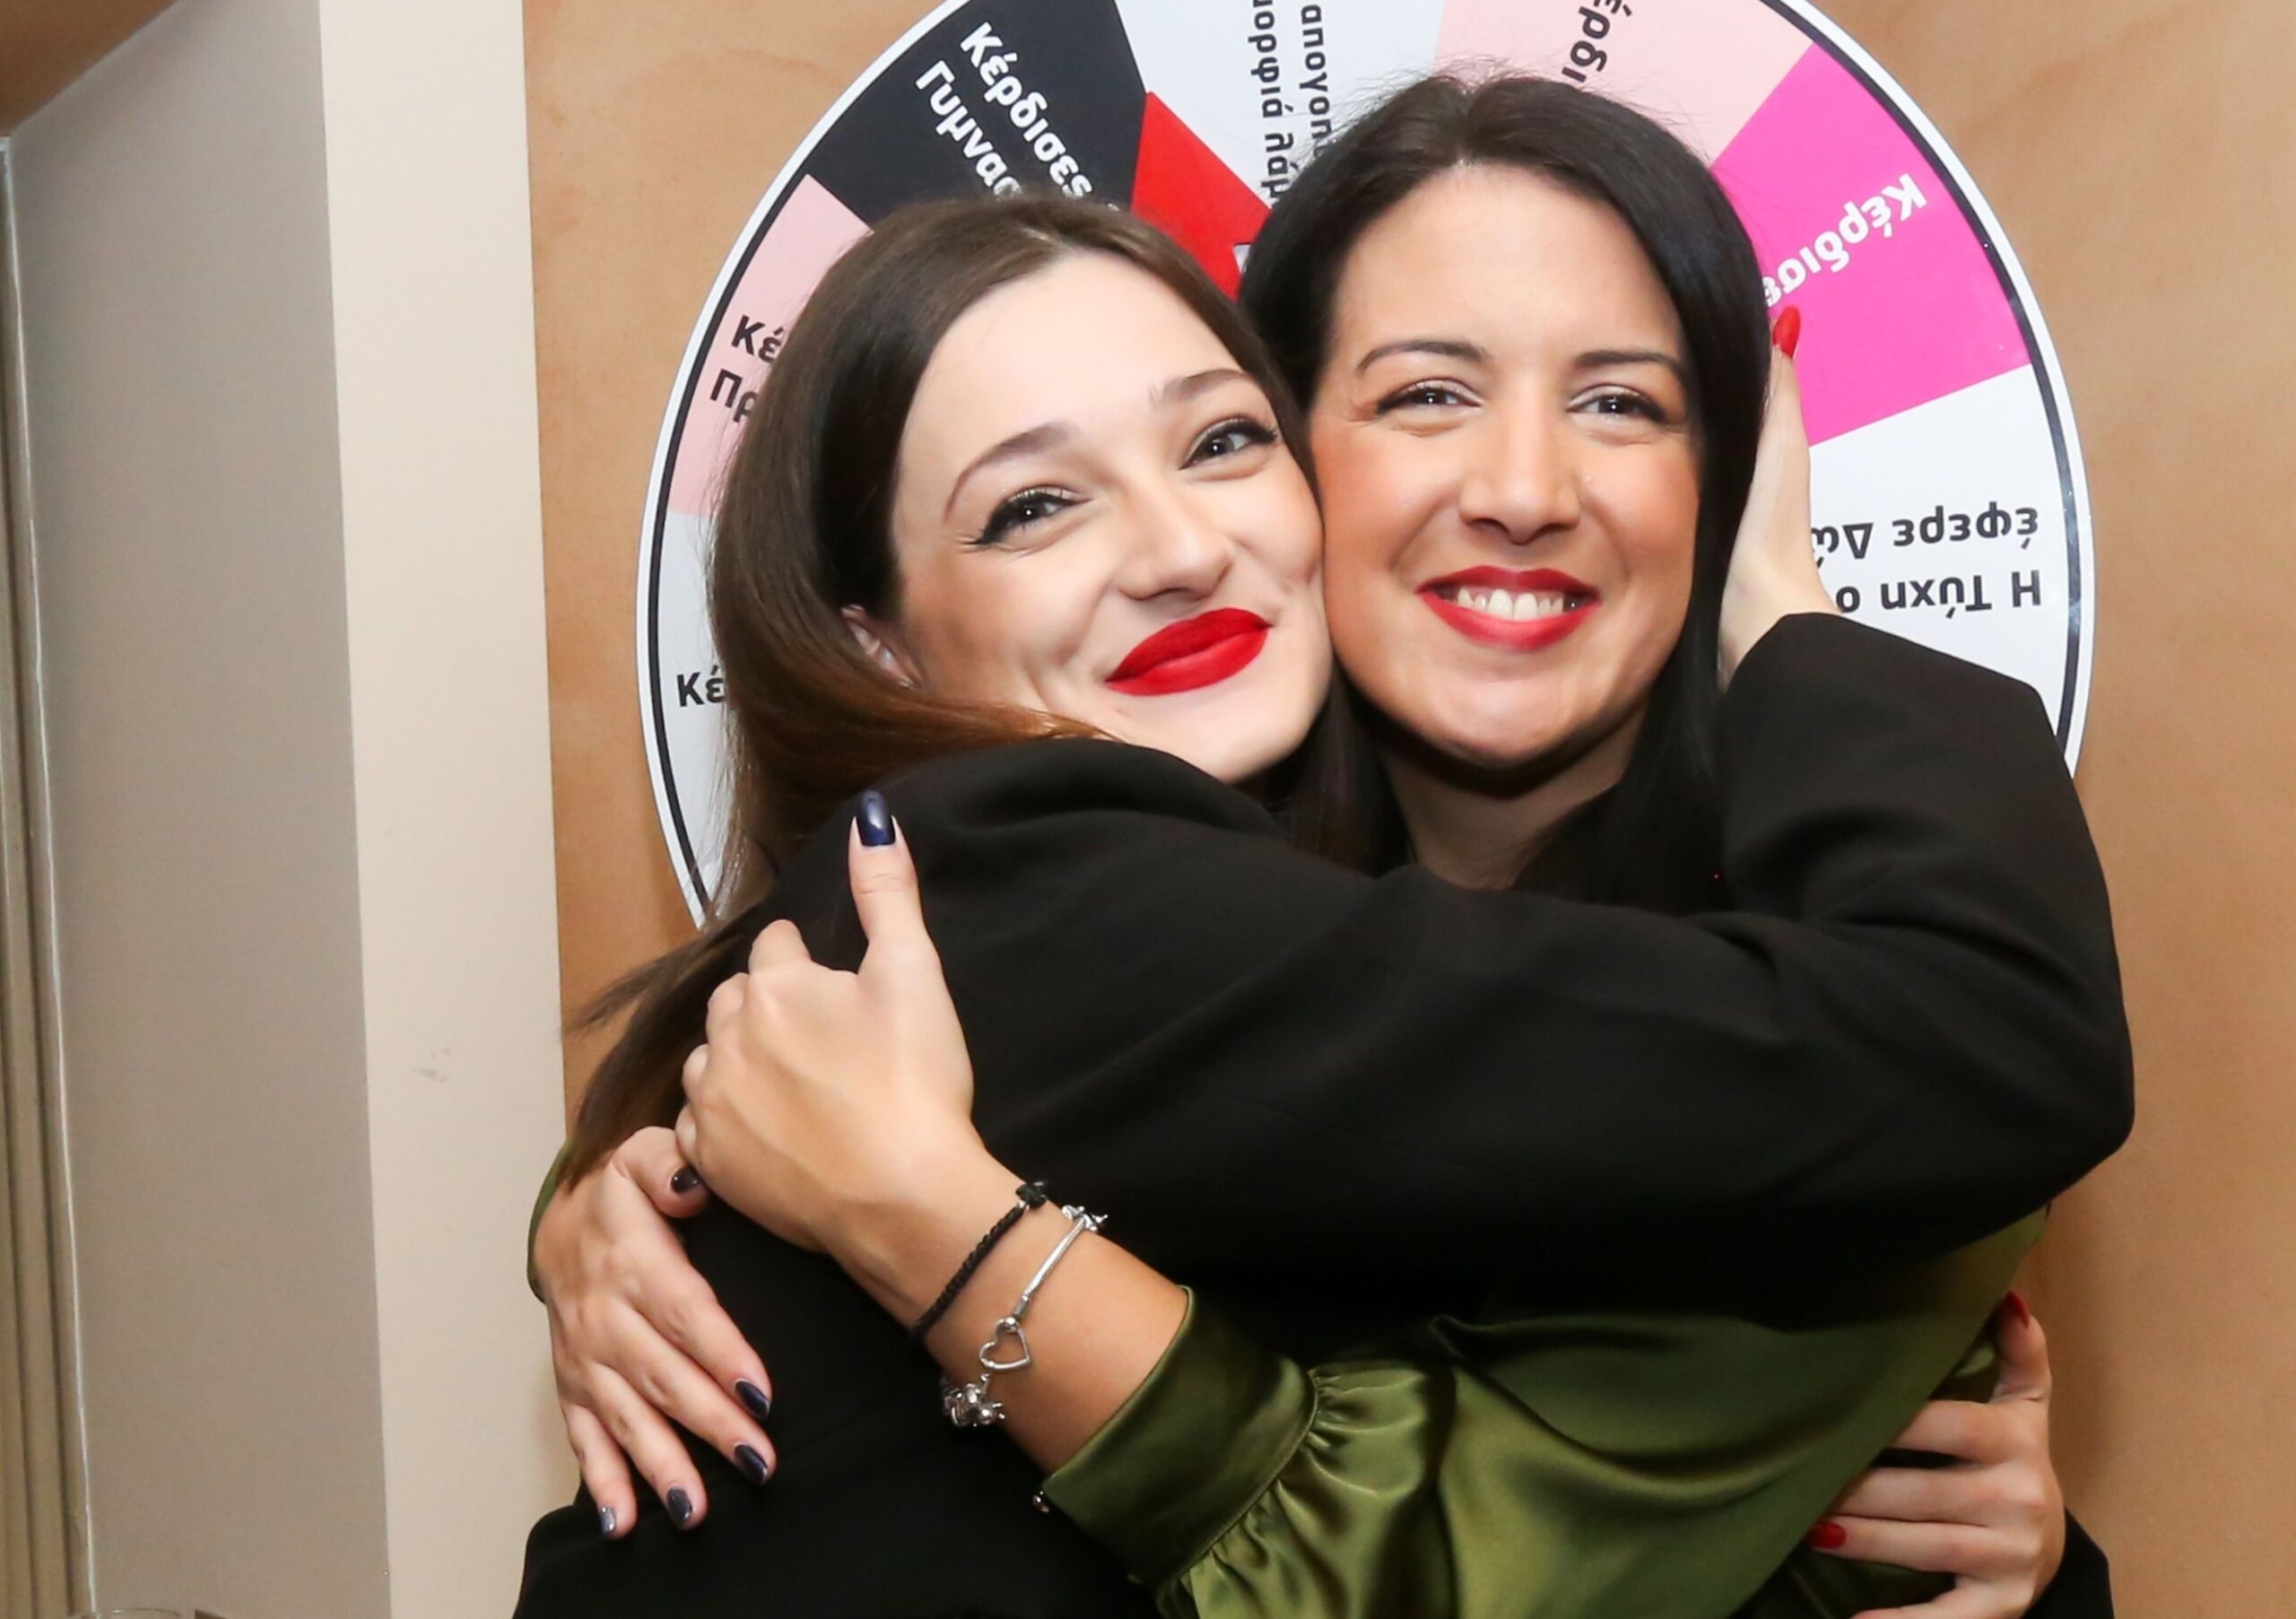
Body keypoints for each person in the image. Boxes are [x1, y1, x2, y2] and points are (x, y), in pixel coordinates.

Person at [518, 79, 2126, 1619]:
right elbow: (1995, 1028)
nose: (1521, 486)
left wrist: (1970, 1558)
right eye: (1426, 393)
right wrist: (1784, 610)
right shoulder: (1019, 878)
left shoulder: (1704, 970)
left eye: (1622, 402)